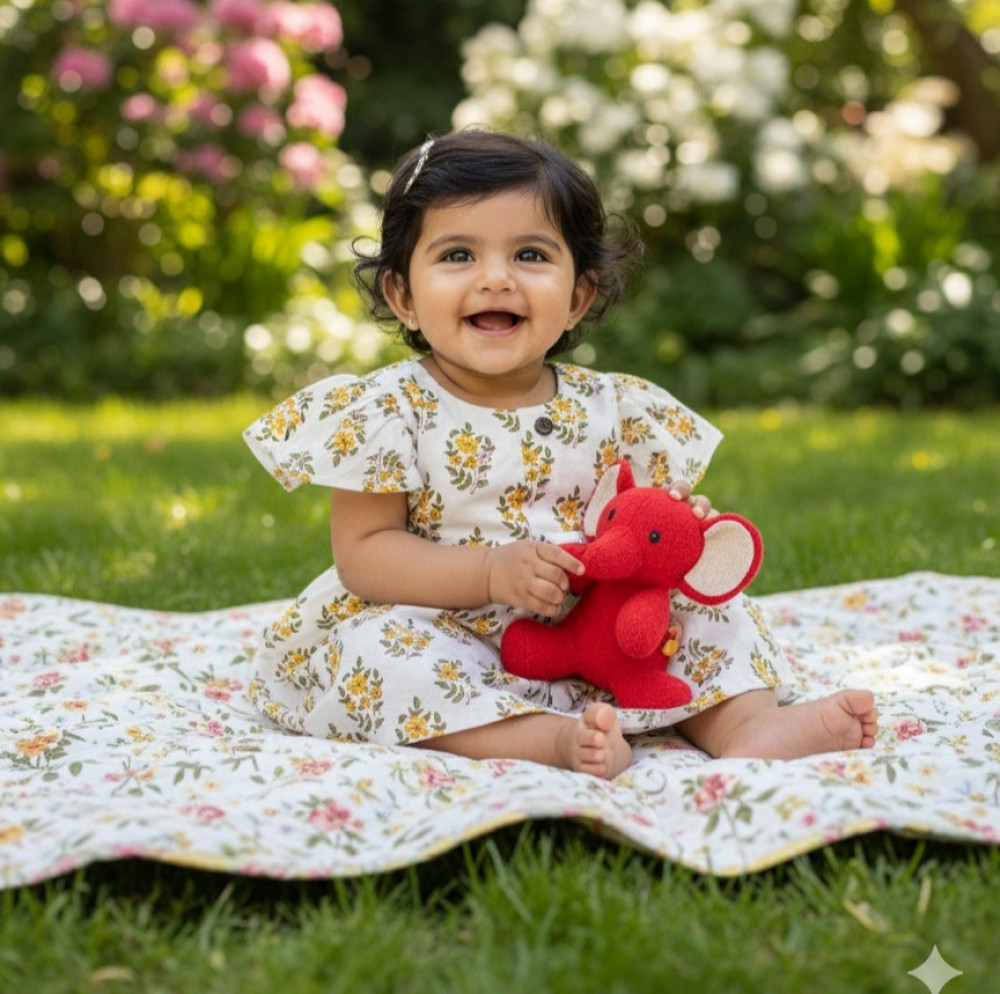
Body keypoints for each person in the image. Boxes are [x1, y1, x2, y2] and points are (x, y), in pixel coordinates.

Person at [244, 129, 878, 779]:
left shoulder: (618, 409)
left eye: (530, 254)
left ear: (578, 296)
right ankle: (542, 739)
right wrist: (489, 574)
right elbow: (365, 555)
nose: (496, 278)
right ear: (402, 294)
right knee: (381, 656)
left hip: (603, 631)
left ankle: (748, 725)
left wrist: (675, 531)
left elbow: (638, 518)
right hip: (445, 632)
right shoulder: (387, 411)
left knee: (711, 613)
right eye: (458, 254)